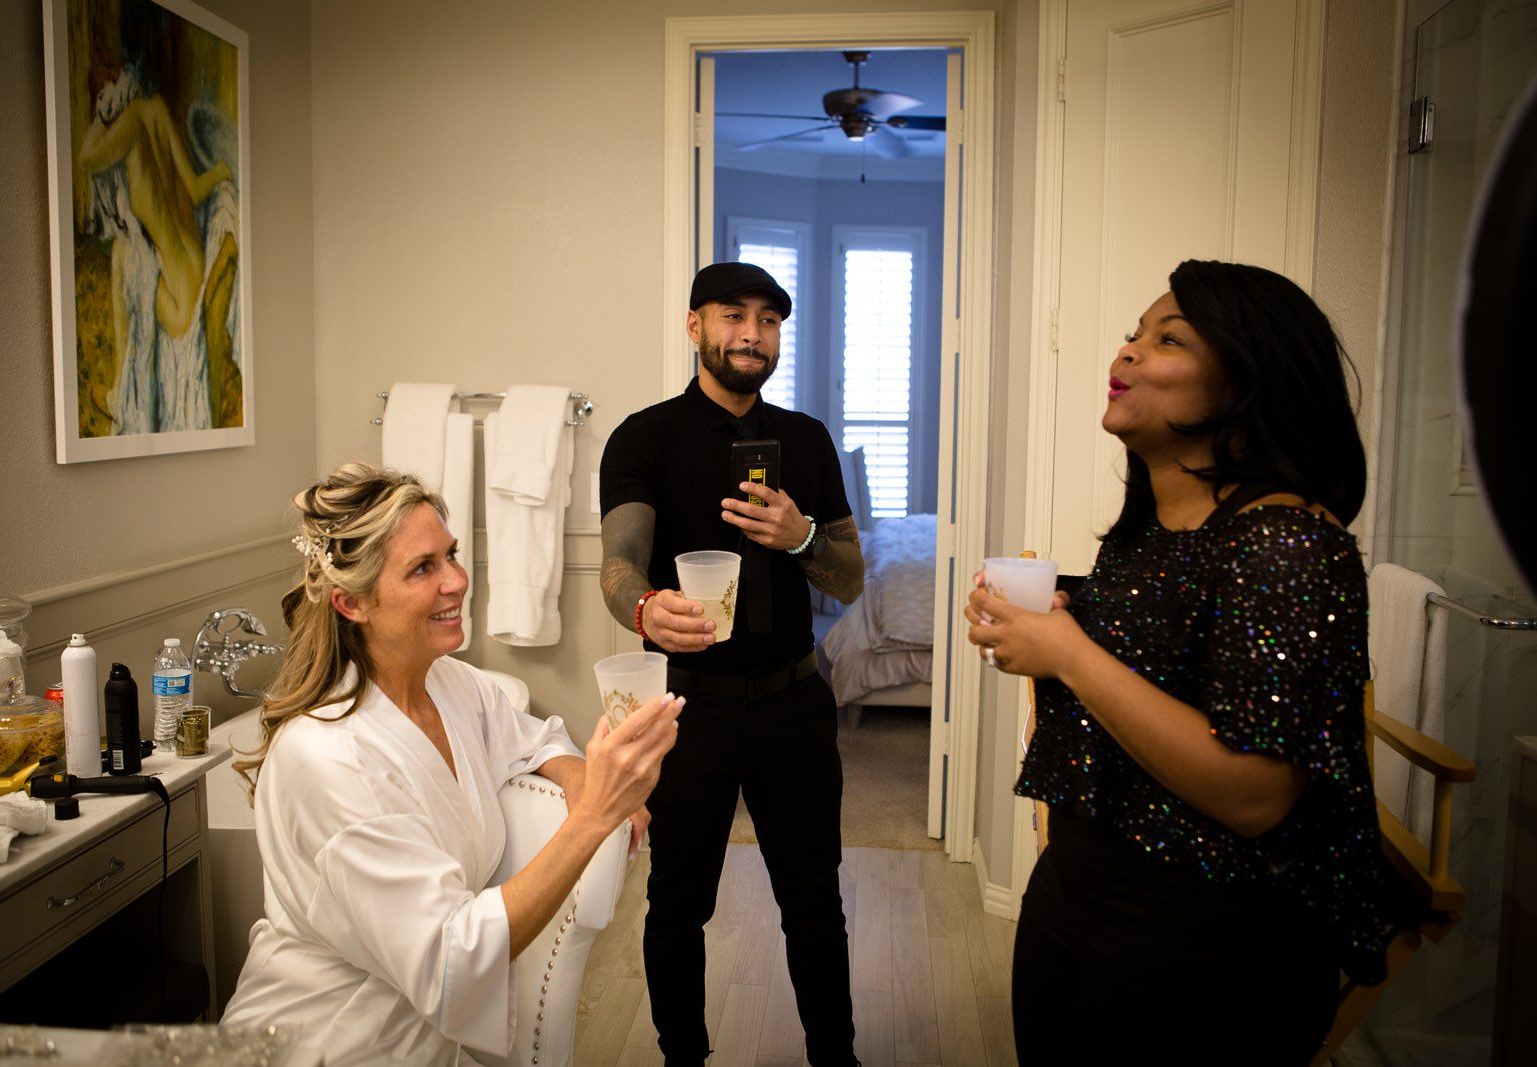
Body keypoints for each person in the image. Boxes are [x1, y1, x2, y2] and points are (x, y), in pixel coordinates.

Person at [965, 260, 1400, 1065]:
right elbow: (1146, 680)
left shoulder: (1288, 544)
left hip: (1203, 938)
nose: (1126, 352)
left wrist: (1069, 652)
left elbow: (1257, 794)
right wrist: (1050, 638)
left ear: (1248, 381)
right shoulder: (1146, 537)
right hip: (1079, 894)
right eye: (1134, 332)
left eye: (1169, 339)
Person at [221, 463, 680, 1065]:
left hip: (424, 1043)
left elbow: (532, 737)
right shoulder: (328, 759)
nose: (458, 581)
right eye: (423, 568)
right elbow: (450, 961)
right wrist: (595, 815)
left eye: (452, 555)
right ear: (350, 602)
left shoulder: (450, 685)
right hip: (326, 1043)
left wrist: (578, 775)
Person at [598, 262, 865, 1065]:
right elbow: (617, 566)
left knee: (815, 900)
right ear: (695, 327)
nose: (752, 333)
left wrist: (803, 536)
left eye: (769, 320)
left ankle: (836, 1055)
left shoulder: (808, 439)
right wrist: (648, 610)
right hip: (687, 708)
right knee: (677, 903)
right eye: (732, 315)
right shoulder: (644, 437)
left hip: (794, 703)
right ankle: (684, 1057)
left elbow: (851, 577)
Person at [77, 66, 241, 434]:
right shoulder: (156, 109)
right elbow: (197, 189)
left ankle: (120, 392)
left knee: (121, 251)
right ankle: (123, 393)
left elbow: (86, 158)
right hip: (192, 267)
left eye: (104, 95)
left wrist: (98, 120)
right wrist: (222, 171)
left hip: (175, 290)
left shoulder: (130, 125)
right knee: (127, 249)